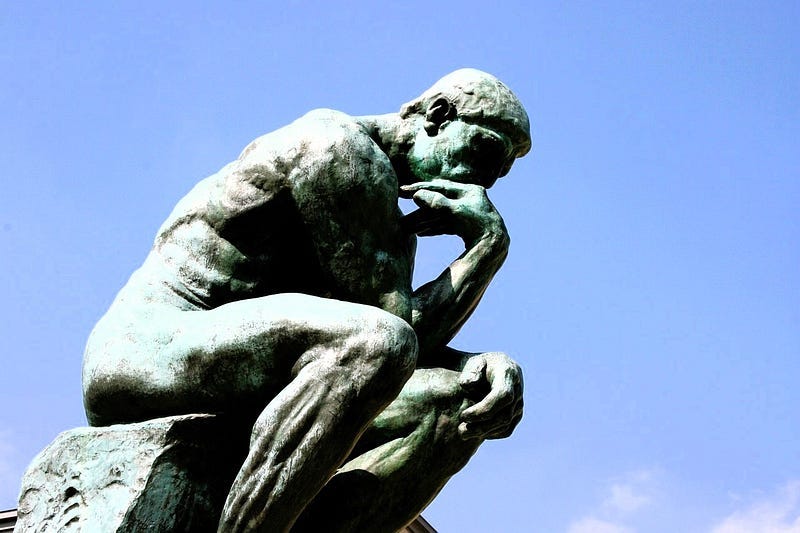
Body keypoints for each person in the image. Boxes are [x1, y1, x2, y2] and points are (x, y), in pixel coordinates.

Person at [82, 68, 530, 532]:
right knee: (379, 342)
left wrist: (479, 363)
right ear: (439, 115)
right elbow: (391, 334)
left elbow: (403, 346)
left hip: (257, 374)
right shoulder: (336, 147)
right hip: (149, 350)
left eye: (498, 174)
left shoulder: (387, 222)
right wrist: (487, 248)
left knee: (466, 399)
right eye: (484, 153)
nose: (484, 184)